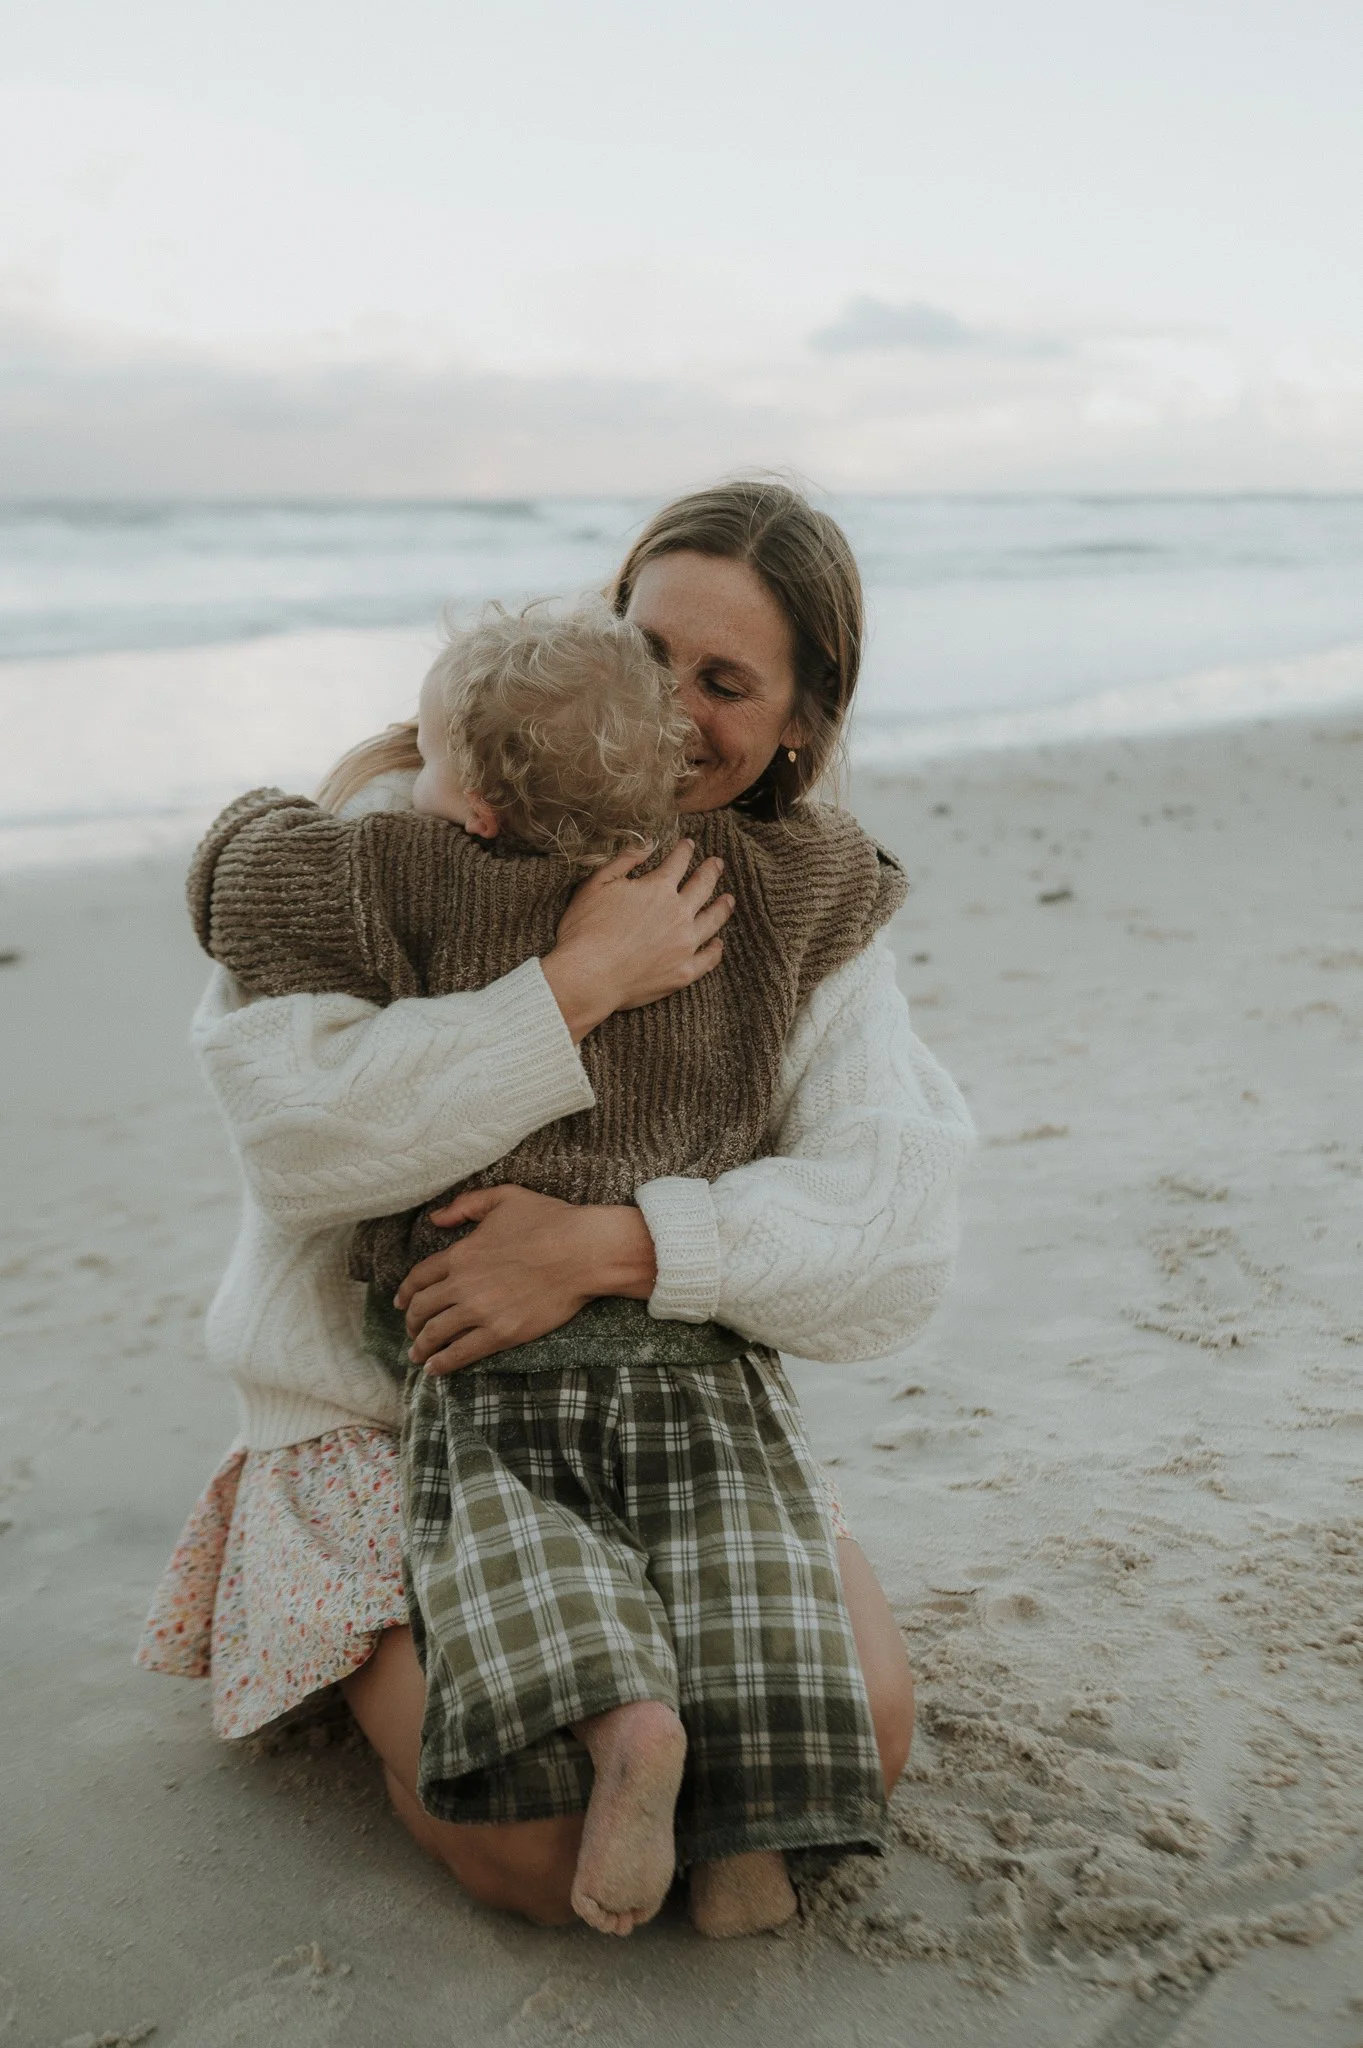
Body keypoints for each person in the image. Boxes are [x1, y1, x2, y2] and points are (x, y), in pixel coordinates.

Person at [138, 478, 974, 1938]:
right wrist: (571, 986)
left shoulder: (792, 900)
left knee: (856, 1745)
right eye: (645, 654)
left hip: (662, 1402)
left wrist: (615, 1245)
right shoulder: (413, 819)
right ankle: (355, 1640)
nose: (666, 711)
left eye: (722, 684)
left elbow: (894, 1232)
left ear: (801, 723)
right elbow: (295, 1141)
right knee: (534, 1848)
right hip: (383, 1413)